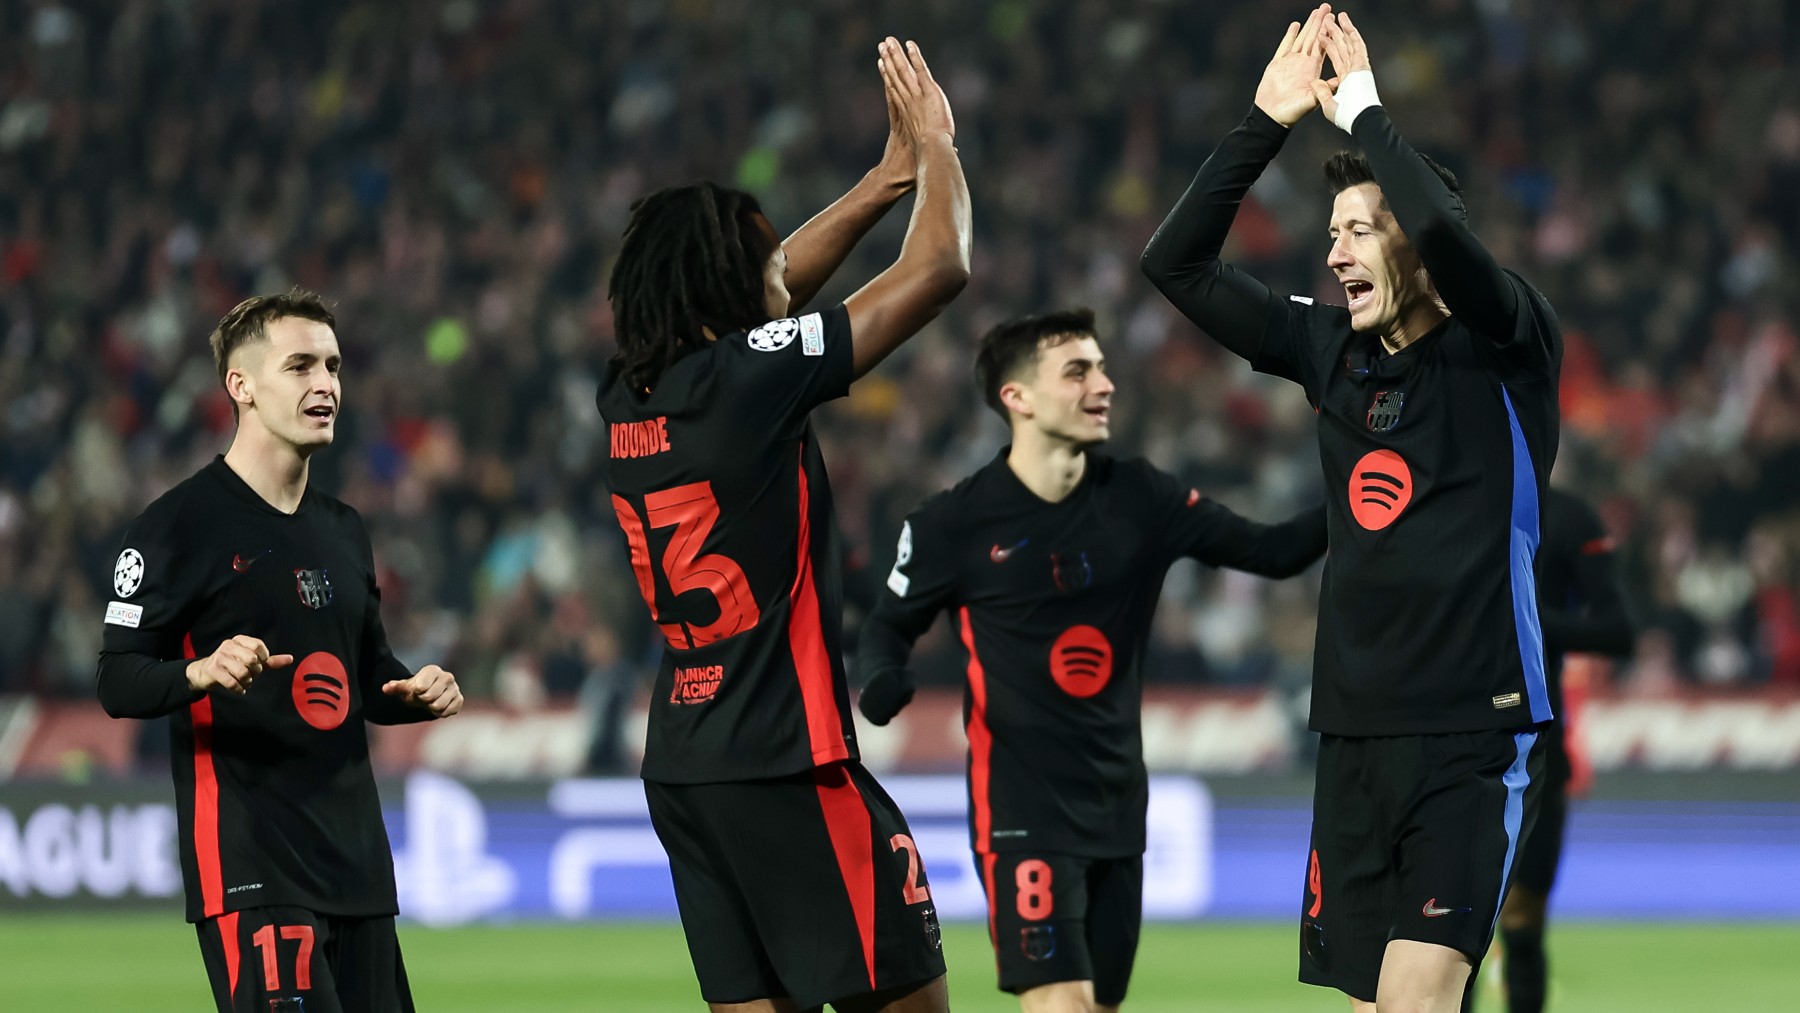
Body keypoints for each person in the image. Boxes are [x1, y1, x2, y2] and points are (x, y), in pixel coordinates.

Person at [1140, 7, 1563, 1012]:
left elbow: (1456, 244)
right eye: (1331, 235)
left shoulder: (1506, 344)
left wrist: (1365, 111)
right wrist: (1263, 122)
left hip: (1473, 728)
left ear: (1416, 242)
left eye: (1360, 230)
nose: (1335, 254)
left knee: (1415, 1003)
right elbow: (1177, 266)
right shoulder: (1330, 351)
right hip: (1354, 738)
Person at [597, 37, 969, 1013]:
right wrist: (935, 151)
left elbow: (771, 293)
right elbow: (940, 268)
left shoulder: (631, 390)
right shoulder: (749, 383)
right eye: (760, 257)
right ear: (732, 291)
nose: (779, 268)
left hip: (685, 768)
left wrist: (884, 180)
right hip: (788, 760)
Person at [857, 308, 1327, 1013]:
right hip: (1020, 806)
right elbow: (886, 626)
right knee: (1061, 1002)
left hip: (1116, 804)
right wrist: (885, 676)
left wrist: (1361, 472)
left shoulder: (1142, 496)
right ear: (1017, 397)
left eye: (1102, 367)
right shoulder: (952, 523)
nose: (1103, 383)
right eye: (1077, 371)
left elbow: (1275, 550)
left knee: (1096, 1006)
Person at [96, 289, 465, 1013]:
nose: (325, 384)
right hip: (252, 867)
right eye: (299, 366)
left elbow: (363, 674)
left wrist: (410, 689)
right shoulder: (176, 526)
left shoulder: (345, 528)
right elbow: (116, 678)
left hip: (357, 866)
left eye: (331, 365)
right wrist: (198, 670)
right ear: (243, 386)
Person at [1498, 487, 1633, 1013]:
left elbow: (1618, 630)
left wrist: (1523, 618)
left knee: (1521, 924)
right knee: (1446, 927)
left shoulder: (1569, 516)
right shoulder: (1443, 495)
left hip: (1535, 747)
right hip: (1449, 743)